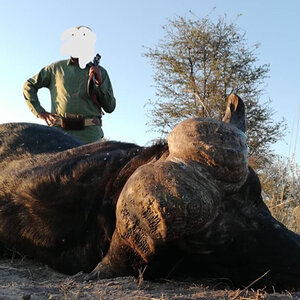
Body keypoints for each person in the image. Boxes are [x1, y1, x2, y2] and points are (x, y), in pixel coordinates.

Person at [23, 26, 116, 144]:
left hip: (91, 137)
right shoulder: (56, 68)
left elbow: (110, 107)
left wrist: (99, 82)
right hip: (59, 135)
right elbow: (29, 85)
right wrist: (40, 112)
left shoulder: (100, 72)